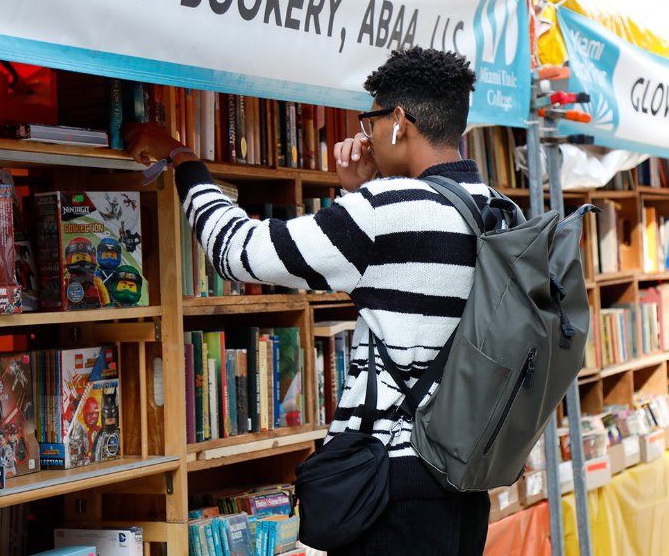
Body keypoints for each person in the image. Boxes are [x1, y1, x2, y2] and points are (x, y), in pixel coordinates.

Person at [126, 47, 490, 556]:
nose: (363, 136)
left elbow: (239, 251)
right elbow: (407, 286)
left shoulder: (386, 209)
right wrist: (368, 193)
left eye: (371, 121)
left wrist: (182, 158)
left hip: (390, 489)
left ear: (398, 121)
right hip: (465, 485)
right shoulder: (496, 210)